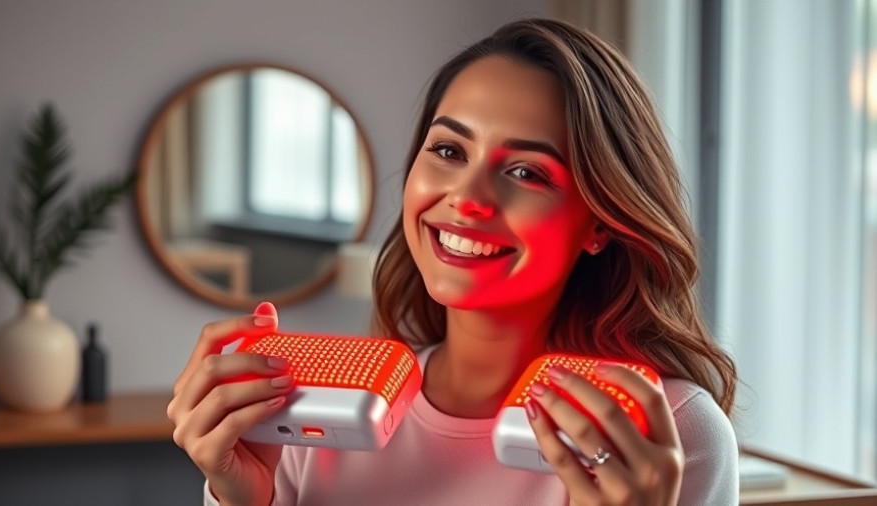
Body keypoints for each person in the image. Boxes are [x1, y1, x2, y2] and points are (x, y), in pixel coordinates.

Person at [168, 18, 739, 506]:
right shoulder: (314, 409)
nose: (467, 199)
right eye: (448, 150)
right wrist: (243, 500)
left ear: (599, 223)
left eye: (527, 172)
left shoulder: (670, 431)